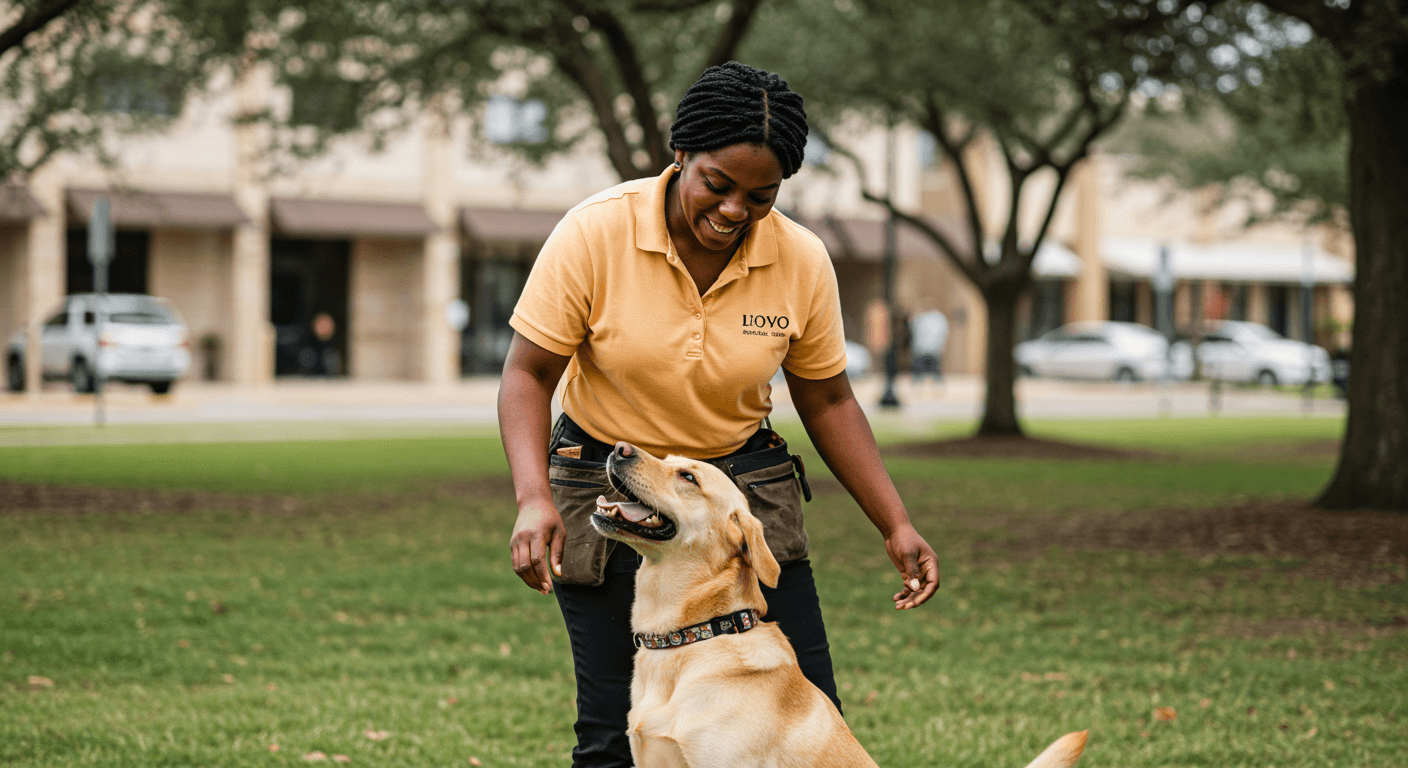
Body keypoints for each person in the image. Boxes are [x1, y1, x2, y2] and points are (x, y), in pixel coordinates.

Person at [498, 61, 939, 768]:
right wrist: (531, 497)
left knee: (806, 714)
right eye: (719, 184)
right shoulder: (595, 233)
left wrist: (896, 521)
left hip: (739, 495)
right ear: (681, 156)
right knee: (615, 732)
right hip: (609, 484)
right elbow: (528, 373)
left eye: (761, 196)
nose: (735, 210)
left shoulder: (799, 258)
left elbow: (827, 398)